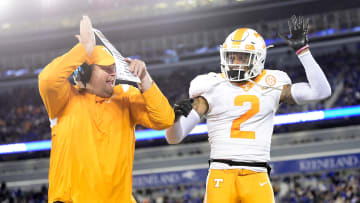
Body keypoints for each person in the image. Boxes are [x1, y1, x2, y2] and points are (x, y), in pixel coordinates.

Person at [165, 15, 331, 203]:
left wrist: (303, 52)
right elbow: (174, 137)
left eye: (242, 57)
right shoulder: (210, 85)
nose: (235, 62)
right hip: (221, 172)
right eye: (231, 56)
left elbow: (321, 92)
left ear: (258, 58)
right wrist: (175, 119)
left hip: (257, 173)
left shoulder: (273, 83)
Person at [38, 16, 174, 203]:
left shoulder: (126, 96)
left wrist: (145, 79)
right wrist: (84, 48)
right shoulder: (64, 99)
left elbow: (165, 120)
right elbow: (47, 79)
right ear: (84, 72)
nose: (113, 74)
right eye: (105, 68)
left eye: (113, 68)